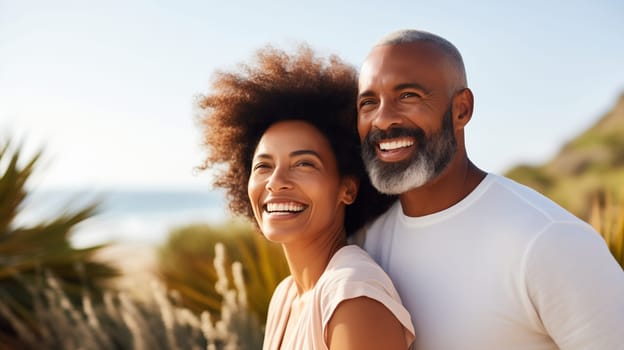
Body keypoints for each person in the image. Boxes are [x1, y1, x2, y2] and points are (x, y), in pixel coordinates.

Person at [354, 29, 624, 350]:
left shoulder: (550, 241)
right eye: (369, 102)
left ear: (461, 110)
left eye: (408, 96)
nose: (383, 120)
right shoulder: (365, 242)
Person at [197, 45, 415, 350]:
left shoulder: (353, 297)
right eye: (263, 166)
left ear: (348, 189)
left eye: (303, 164)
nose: (276, 182)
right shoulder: (286, 296)